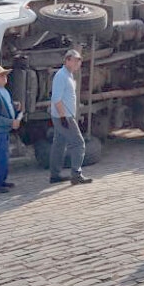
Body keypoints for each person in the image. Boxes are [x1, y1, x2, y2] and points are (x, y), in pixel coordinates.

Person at [49, 49, 92, 186]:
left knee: (59, 145)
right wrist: (63, 117)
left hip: (62, 115)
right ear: (67, 60)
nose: (78, 63)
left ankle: (55, 175)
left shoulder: (68, 75)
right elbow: (56, 98)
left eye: (79, 60)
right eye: (76, 60)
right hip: (64, 116)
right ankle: (76, 175)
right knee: (79, 143)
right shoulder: (62, 76)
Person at [0, 64, 21, 194]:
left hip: (3, 129)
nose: (4, 77)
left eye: (4, 75)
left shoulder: (2, 91)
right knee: (1, 157)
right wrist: (11, 122)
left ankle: (1, 181)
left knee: (4, 157)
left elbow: (7, 106)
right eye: (1, 75)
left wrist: (15, 106)